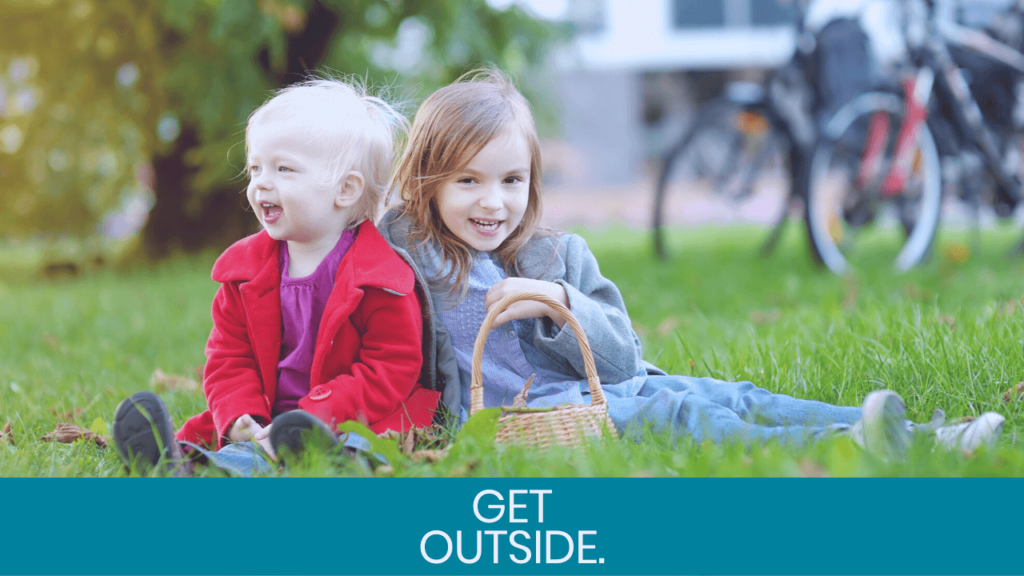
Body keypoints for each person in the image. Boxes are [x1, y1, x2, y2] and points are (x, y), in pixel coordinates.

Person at [378, 69, 1005, 460]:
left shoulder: (556, 255)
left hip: (602, 389)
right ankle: (852, 445)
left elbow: (623, 359)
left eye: (512, 179)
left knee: (727, 394)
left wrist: (561, 304)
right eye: (467, 180)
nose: (494, 202)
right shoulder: (409, 252)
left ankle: (925, 434)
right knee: (681, 416)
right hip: (521, 420)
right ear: (429, 182)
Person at [112, 78, 441, 476]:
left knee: (360, 444)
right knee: (245, 447)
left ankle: (324, 458)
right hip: (267, 412)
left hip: (350, 415)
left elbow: (391, 366)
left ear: (346, 190)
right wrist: (240, 415)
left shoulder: (381, 278)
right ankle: (178, 465)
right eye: (255, 168)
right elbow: (229, 356)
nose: (261, 183)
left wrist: (322, 412)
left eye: (284, 169)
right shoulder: (244, 273)